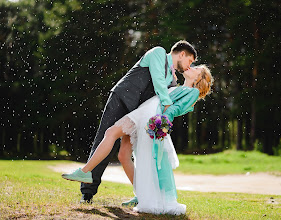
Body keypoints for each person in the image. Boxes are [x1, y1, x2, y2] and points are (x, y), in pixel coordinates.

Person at [62, 65, 213, 214]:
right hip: (144, 112)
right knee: (123, 155)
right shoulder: (178, 86)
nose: (190, 67)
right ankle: (141, 195)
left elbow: (176, 108)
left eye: (195, 69)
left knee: (111, 132)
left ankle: (85, 171)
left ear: (198, 78)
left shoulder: (192, 92)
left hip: (149, 116)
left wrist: (162, 120)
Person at [78, 40, 197, 204]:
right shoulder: (158, 52)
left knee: (125, 154)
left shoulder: (173, 78)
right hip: (122, 98)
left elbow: (172, 98)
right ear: (182, 54)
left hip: (136, 113)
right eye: (189, 61)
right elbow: (158, 83)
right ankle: (87, 193)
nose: (188, 66)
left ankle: (142, 196)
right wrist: (169, 98)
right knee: (104, 139)